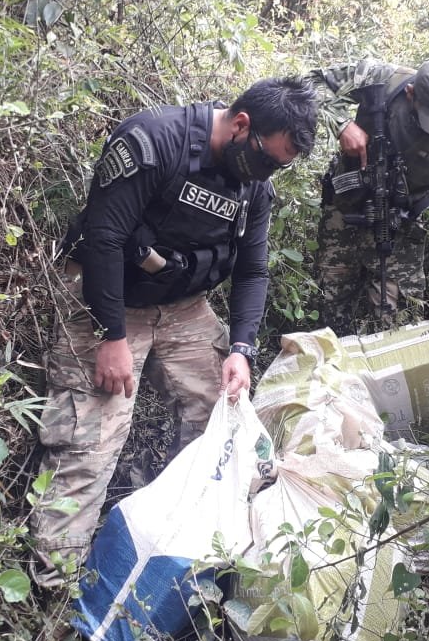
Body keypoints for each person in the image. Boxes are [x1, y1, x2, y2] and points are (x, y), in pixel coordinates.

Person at [29, 77, 319, 585]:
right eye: (267, 161)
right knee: (88, 446)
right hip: (108, 297)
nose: (269, 173)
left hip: (184, 305)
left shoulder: (255, 188)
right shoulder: (151, 142)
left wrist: (242, 350)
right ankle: (51, 587)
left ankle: (176, 545)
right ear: (241, 125)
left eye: (279, 166)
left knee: (222, 417)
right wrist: (110, 335)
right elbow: (103, 238)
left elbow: (252, 270)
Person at [307, 56, 429, 335]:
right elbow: (309, 82)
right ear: (411, 92)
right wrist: (341, 124)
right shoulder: (380, 78)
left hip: (399, 224)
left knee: (400, 328)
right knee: (331, 303)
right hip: (345, 207)